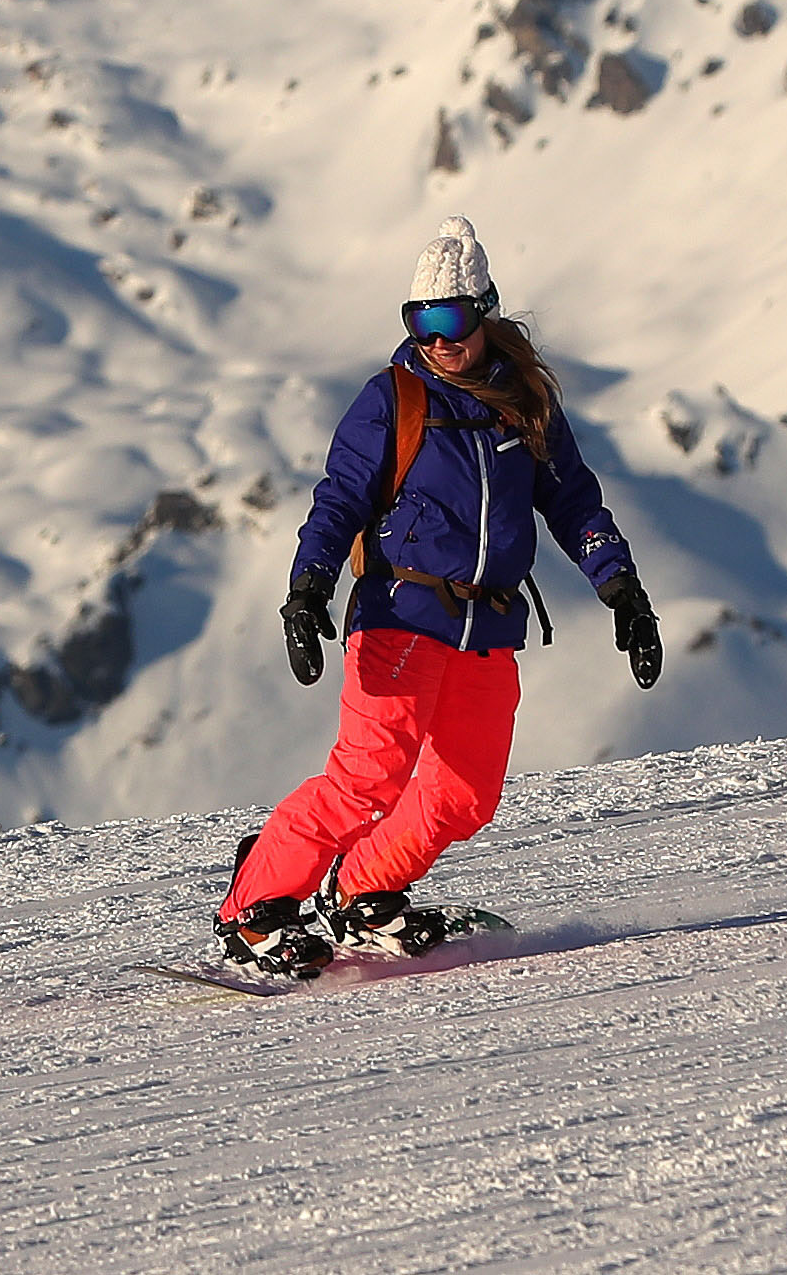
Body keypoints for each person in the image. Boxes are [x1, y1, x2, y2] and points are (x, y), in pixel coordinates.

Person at [213, 216, 662, 975]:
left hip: (485, 622)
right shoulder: (391, 398)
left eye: (451, 319)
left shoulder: (522, 402)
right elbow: (339, 500)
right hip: (401, 612)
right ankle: (250, 910)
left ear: (485, 313)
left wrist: (621, 589)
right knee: (366, 779)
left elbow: (575, 503)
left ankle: (362, 889)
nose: (437, 339)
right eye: (419, 321)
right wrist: (307, 587)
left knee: (465, 794)